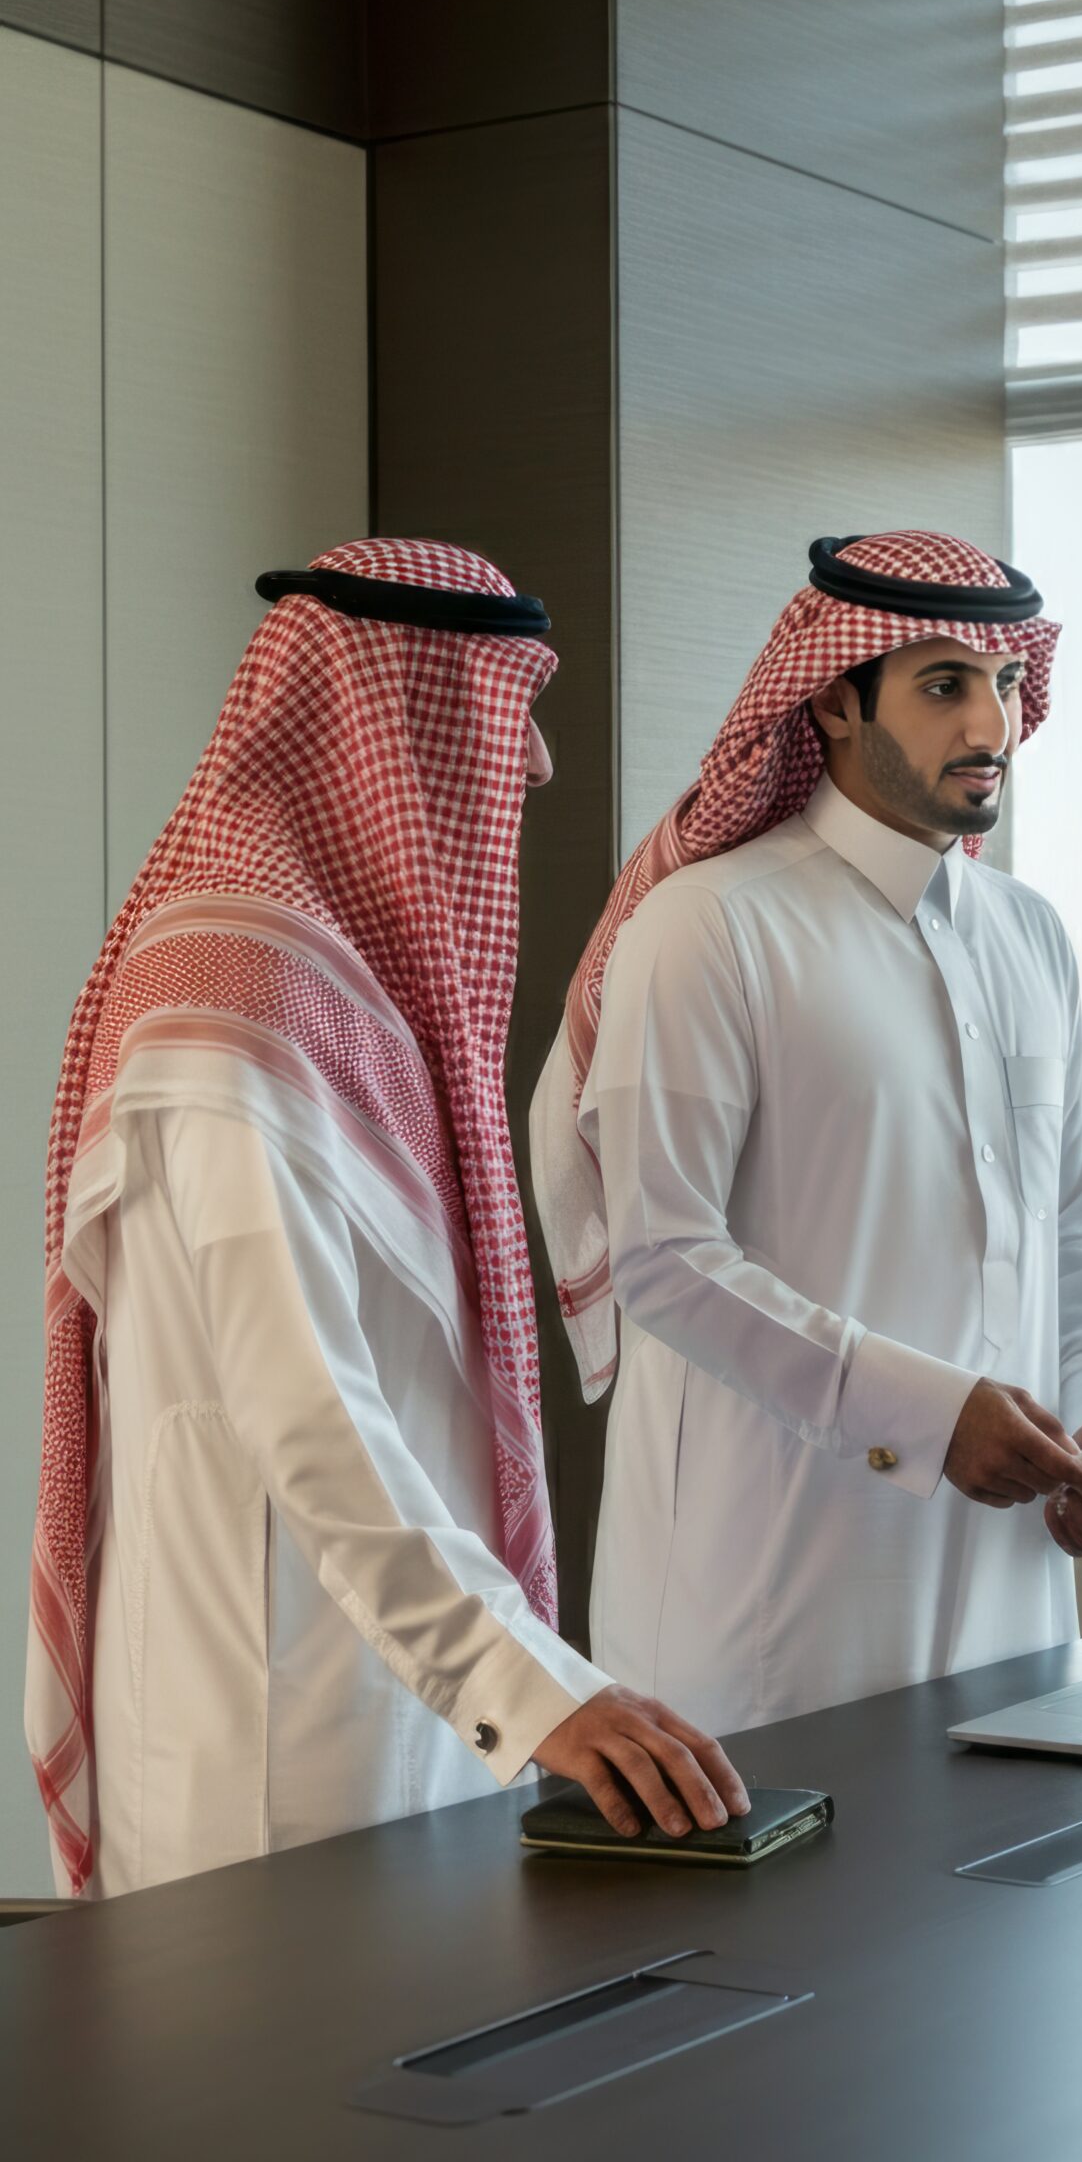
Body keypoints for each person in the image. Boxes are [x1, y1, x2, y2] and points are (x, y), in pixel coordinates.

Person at [26, 540, 748, 1898]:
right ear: (380, 716)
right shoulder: (229, 1010)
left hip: (385, 1692)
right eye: (502, 704)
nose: (532, 761)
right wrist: (531, 1690)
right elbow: (309, 1406)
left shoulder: (330, 994)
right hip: (257, 1714)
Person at [529, 529, 1082, 1734]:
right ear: (834, 699)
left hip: (1012, 1599)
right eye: (942, 686)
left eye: (1008, 684)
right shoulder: (710, 926)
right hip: (776, 1611)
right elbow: (663, 1256)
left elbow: (1079, 1230)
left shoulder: (1032, 937)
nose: (992, 727)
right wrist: (932, 1414)